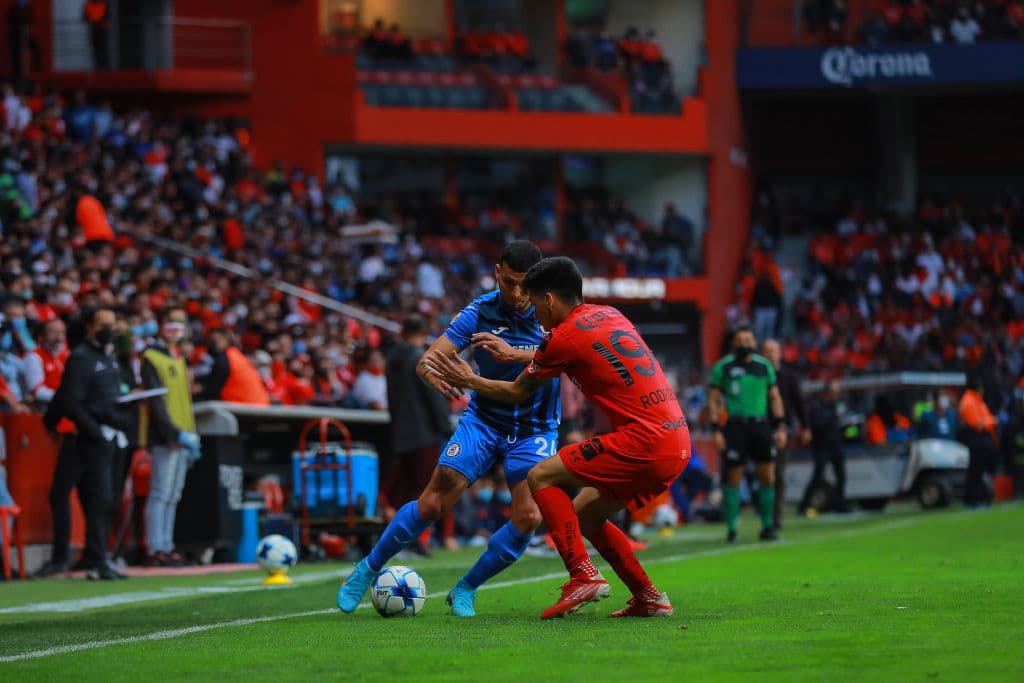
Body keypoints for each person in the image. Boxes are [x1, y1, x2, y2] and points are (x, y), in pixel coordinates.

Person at [427, 256, 690, 619]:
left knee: (541, 475)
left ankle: (583, 575)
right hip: (676, 440)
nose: (534, 315)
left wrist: (469, 381)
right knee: (585, 513)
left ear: (549, 300)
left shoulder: (562, 337)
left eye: (535, 304)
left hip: (642, 441)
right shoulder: (610, 314)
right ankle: (648, 596)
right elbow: (567, 351)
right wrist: (515, 353)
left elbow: (521, 390)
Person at [337, 241, 559, 618]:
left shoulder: (554, 311)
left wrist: (512, 354)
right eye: (508, 282)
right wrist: (427, 366)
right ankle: (366, 569)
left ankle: (466, 588)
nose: (517, 293)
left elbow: (569, 356)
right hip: (485, 421)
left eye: (525, 285)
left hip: (535, 428)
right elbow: (433, 355)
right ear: (497, 273)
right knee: (434, 502)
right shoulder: (480, 311)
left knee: (529, 517)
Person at [37, 306, 132, 580]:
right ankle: (76, 558)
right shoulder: (81, 357)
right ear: (90, 326)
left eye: (113, 324)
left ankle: (95, 556)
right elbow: (69, 399)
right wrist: (94, 431)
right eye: (104, 324)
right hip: (86, 438)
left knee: (101, 499)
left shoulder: (112, 359)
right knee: (84, 496)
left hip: (110, 438)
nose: (110, 330)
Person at [708, 324, 787, 543]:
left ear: (754, 342)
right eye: (741, 341)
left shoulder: (764, 367)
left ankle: (767, 527)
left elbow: (775, 397)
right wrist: (716, 429)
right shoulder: (723, 368)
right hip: (735, 427)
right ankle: (732, 529)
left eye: (749, 341)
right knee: (733, 478)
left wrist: (780, 426)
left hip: (760, 425)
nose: (745, 345)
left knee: (768, 475)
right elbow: (713, 400)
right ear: (734, 343)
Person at [381, 314, 453, 549]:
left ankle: (403, 541)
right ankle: (421, 541)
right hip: (425, 435)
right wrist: (444, 426)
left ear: (402, 331)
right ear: (423, 333)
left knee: (405, 491)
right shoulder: (422, 359)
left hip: (400, 434)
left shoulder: (391, 361)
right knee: (430, 490)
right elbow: (434, 394)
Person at [140, 307, 201, 566]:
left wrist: (191, 434)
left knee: (173, 495)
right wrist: (175, 432)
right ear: (160, 325)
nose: (175, 327)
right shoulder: (151, 357)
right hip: (165, 437)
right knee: (160, 493)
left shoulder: (178, 358)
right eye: (170, 321)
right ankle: (155, 547)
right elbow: (156, 402)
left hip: (184, 435)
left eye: (180, 322)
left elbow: (183, 402)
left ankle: (166, 544)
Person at [761, 338, 809, 531]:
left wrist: (806, 426)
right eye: (766, 351)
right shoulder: (756, 375)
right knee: (763, 475)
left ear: (780, 354)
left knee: (779, 475)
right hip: (759, 430)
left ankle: (776, 518)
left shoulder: (790, 376)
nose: (770, 354)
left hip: (781, 430)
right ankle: (766, 515)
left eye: (773, 351)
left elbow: (799, 403)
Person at [800, 380, 848, 513]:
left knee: (841, 476)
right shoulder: (817, 406)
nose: (836, 395)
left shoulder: (836, 406)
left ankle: (840, 504)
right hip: (822, 446)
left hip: (836, 445)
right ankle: (804, 505)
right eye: (833, 392)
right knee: (818, 476)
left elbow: (840, 426)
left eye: (837, 392)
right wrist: (834, 416)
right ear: (826, 392)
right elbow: (817, 424)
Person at [194, 328, 270, 405]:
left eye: (214, 341)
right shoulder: (236, 355)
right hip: (258, 404)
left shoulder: (225, 359)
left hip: (246, 406)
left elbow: (212, 388)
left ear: (224, 340)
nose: (211, 345)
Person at [958, 377, 998, 507]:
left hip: (983, 440)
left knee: (979, 471)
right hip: (977, 440)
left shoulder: (977, 401)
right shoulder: (968, 402)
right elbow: (977, 424)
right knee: (975, 471)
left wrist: (990, 421)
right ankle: (972, 500)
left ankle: (979, 498)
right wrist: (993, 421)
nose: (983, 391)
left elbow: (984, 419)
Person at [24, 318, 68, 404]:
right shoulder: (33, 357)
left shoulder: (67, 355)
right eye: (53, 332)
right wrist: (65, 398)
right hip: (45, 405)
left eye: (62, 332)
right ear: (41, 337)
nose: (59, 337)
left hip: (64, 403)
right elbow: (36, 391)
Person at [83, 0, 110, 70]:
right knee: (96, 50)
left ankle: (104, 68)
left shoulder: (103, 4)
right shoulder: (88, 5)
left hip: (102, 31)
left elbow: (108, 18)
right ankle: (98, 67)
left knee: (103, 50)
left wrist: (100, 23)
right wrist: (94, 22)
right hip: (93, 30)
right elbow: (85, 18)